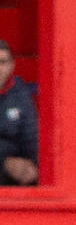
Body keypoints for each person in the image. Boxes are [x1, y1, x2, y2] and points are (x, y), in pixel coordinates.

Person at [0, 39, 38, 186]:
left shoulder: (21, 95)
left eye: (3, 62)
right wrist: (4, 162)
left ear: (11, 66)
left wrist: (31, 165)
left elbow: (31, 137)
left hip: (16, 167)